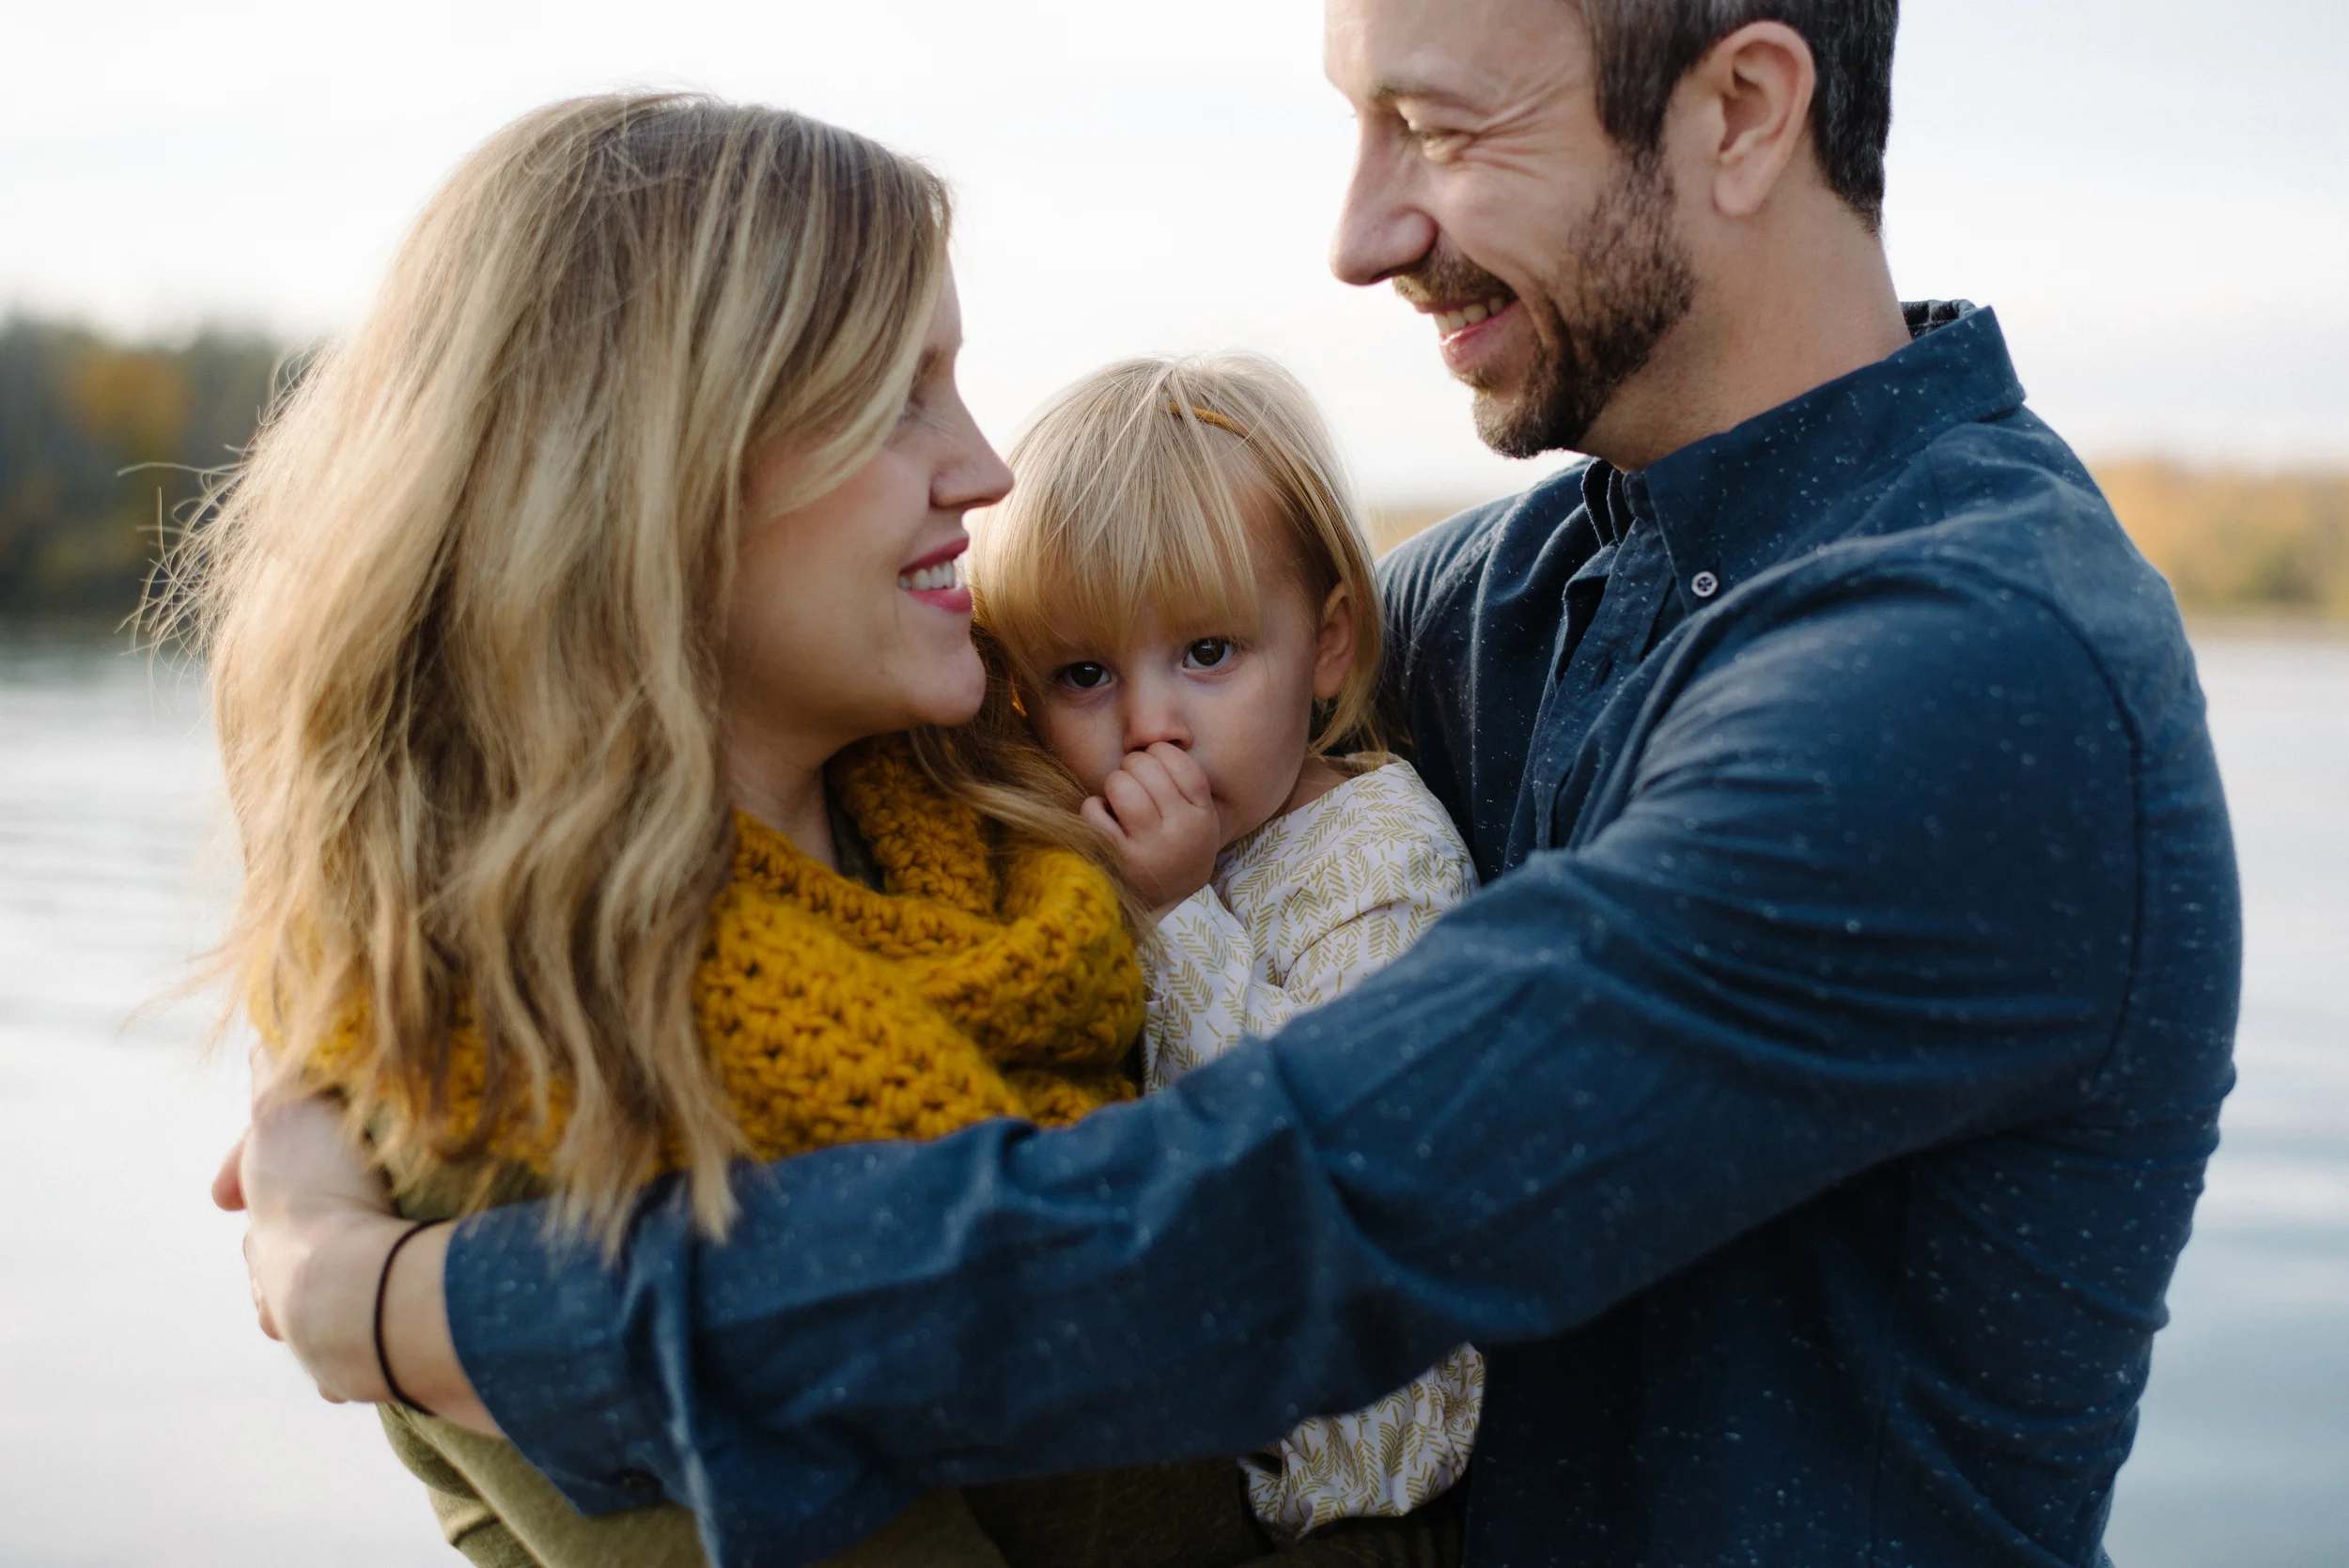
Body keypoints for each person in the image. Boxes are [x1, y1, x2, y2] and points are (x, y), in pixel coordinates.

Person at [221, 4, 2242, 1567]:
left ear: (1735, 112)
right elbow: (933, 699)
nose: (1357, 233)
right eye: (1351, 127)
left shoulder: (1965, 680)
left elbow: (1274, 1215)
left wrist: (417, 1310)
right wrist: (355, 1021)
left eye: (1436, 130)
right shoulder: (1502, 597)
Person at [189, 92, 1306, 1568]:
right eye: (898, 398)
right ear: (653, 464)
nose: (984, 469)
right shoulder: (536, 1065)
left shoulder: (1029, 807)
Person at [970, 352, 1484, 1548]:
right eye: (1085, 674)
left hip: (1363, 1481)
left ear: (1327, 648)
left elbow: (1322, 1161)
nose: (1150, 721)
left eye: (1207, 653)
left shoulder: (1378, 850)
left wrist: (1177, 911)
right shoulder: (1114, 844)